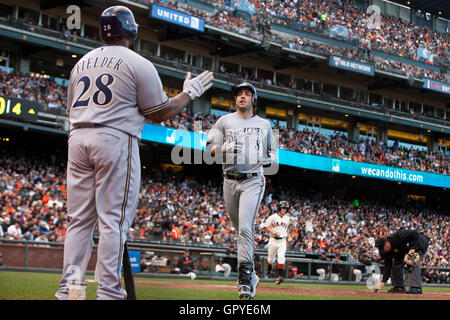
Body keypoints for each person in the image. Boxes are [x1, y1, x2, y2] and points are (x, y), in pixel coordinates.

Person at [55, 5, 213, 300]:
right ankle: (109, 292)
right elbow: (161, 112)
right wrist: (189, 93)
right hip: (114, 139)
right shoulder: (137, 62)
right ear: (130, 29)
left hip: (77, 139)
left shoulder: (82, 62)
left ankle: (70, 291)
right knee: (113, 220)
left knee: (79, 221)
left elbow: (70, 108)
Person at [206, 82, 276, 299]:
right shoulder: (223, 121)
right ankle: (252, 273)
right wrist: (222, 149)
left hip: (253, 180)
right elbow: (208, 151)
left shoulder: (264, 124)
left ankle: (244, 278)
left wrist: (270, 158)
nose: (242, 97)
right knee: (240, 230)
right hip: (229, 180)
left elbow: (272, 154)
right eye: (239, 94)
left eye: (247, 94)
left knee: (246, 228)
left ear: (254, 99)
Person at [375, 229, 430, 294]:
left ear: (387, 243)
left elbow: (414, 233)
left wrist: (413, 248)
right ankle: (399, 287)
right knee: (396, 265)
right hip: (404, 251)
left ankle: (416, 287)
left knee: (412, 260)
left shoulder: (397, 236)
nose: (383, 251)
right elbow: (388, 265)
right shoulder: (384, 252)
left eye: (383, 248)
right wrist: (383, 281)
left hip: (419, 242)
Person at [261, 200, 291, 284]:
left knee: (281, 258)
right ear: (279, 208)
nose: (284, 210)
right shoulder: (272, 217)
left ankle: (279, 277)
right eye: (283, 208)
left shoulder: (287, 218)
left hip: (282, 241)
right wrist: (273, 232)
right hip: (273, 240)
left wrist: (289, 235)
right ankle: (269, 273)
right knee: (270, 260)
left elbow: (286, 228)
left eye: (286, 208)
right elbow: (265, 226)